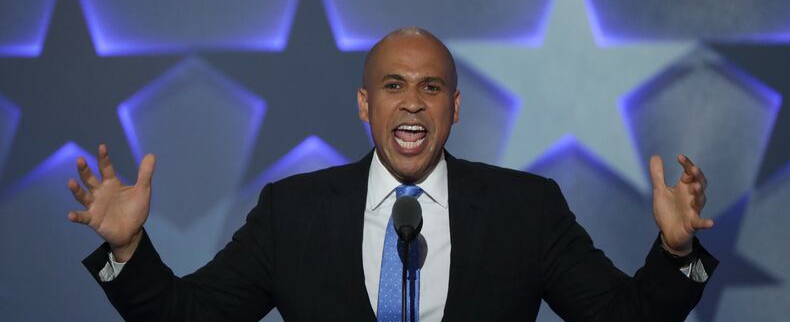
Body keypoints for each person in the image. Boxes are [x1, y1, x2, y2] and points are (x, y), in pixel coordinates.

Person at [68, 27, 717, 321]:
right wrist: (128, 247)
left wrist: (674, 249)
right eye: (394, 85)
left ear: (454, 109)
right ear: (364, 105)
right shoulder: (292, 211)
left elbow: (624, 318)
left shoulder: (527, 208)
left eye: (431, 87)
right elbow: (192, 317)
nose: (412, 101)